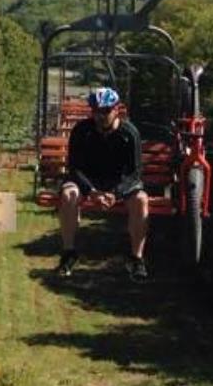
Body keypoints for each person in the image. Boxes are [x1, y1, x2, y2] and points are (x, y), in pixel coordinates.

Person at [56, 86, 150, 280]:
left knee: (141, 200)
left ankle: (136, 258)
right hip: (87, 182)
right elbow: (74, 168)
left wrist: (116, 193)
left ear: (117, 110)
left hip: (119, 184)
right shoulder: (82, 131)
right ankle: (68, 253)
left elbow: (135, 172)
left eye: (106, 111)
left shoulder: (129, 133)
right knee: (68, 195)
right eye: (96, 111)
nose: (100, 116)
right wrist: (91, 191)